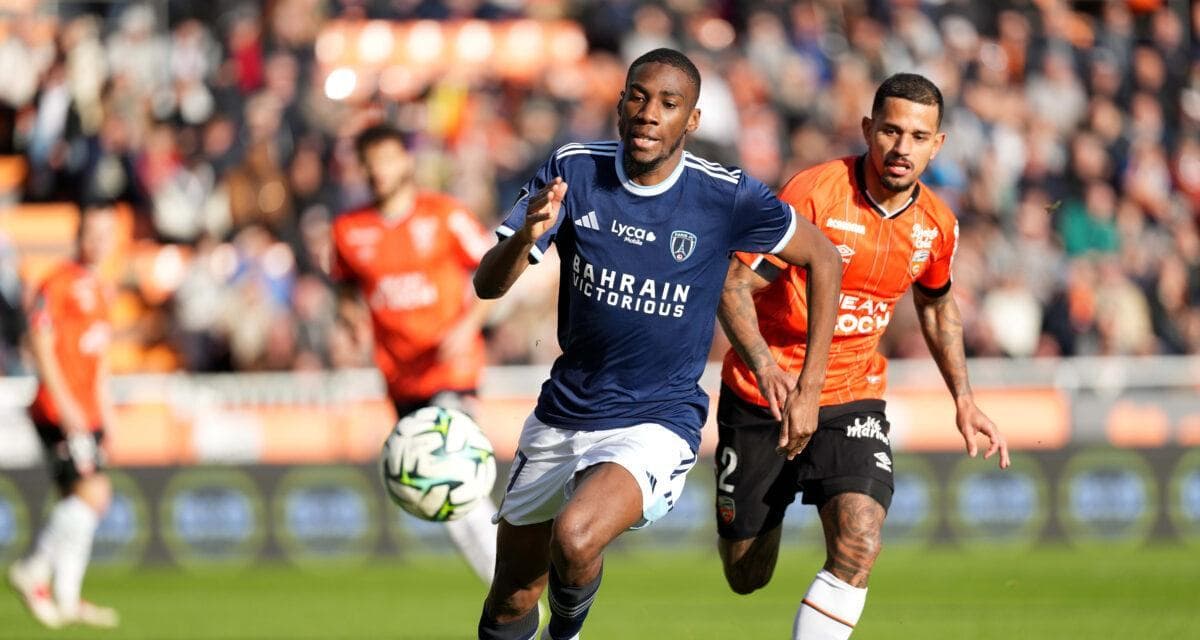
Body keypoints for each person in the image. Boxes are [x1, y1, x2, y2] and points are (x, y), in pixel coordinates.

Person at [473, 48, 842, 640]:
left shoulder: (726, 195)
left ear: (690, 122)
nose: (649, 113)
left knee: (576, 535)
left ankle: (564, 632)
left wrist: (809, 385)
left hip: (657, 418)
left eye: (669, 104)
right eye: (638, 97)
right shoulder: (574, 169)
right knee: (512, 596)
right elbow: (487, 285)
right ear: (619, 105)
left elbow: (823, 257)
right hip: (564, 410)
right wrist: (524, 239)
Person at [713, 73, 1011, 639]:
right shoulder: (815, 194)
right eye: (891, 131)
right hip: (763, 396)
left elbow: (937, 306)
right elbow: (733, 288)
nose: (903, 148)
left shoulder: (937, 226)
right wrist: (771, 370)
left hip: (852, 395)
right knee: (747, 573)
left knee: (860, 538)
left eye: (919, 136)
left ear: (938, 144)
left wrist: (964, 399)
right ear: (868, 130)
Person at [329, 124, 498, 582]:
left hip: (451, 370)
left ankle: (515, 598)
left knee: (452, 482)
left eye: (386, 158)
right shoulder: (348, 230)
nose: (377, 170)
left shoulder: (445, 215)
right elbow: (347, 289)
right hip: (399, 377)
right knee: (444, 498)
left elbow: (497, 271)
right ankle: (518, 589)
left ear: (406, 161)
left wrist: (467, 326)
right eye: (369, 161)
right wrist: (349, 324)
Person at [7, 200, 121, 630]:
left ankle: (67, 598)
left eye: (106, 233)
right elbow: (39, 341)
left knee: (82, 501)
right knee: (93, 494)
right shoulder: (58, 282)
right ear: (78, 236)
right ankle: (34, 570)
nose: (99, 241)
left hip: (86, 408)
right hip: (58, 408)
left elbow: (100, 356)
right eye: (92, 232)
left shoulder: (100, 286)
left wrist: (106, 411)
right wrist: (65, 401)